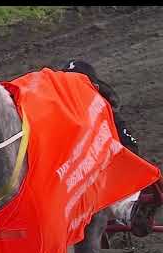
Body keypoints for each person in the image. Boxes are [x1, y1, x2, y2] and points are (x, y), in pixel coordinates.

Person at [61, 60, 162, 237]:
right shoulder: (54, 113)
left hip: (95, 178)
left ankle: (128, 209)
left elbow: (129, 148)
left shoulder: (105, 112)